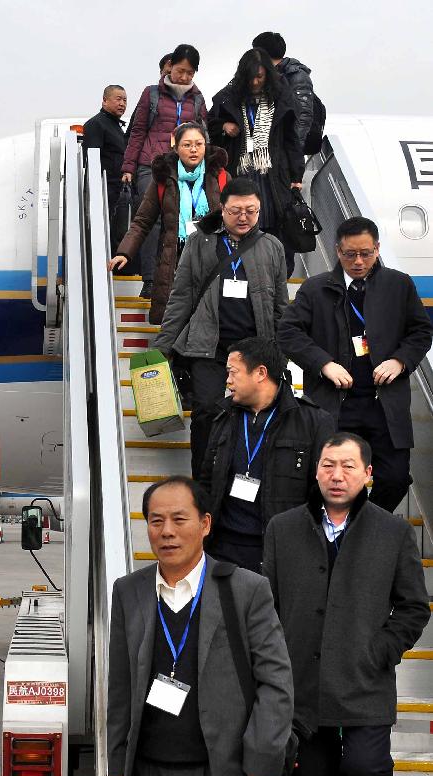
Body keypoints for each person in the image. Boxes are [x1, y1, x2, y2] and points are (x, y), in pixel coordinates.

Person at [107, 476, 293, 776]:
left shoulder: (244, 590)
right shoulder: (129, 591)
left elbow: (277, 682)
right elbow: (121, 684)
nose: (166, 531)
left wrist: (264, 759)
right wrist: (118, 759)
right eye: (156, 521)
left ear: (205, 524)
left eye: (178, 519)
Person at [263, 433, 430, 776]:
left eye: (349, 467)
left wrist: (380, 651)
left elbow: (415, 607)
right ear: (316, 470)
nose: (337, 475)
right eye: (328, 465)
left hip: (364, 682)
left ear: (368, 475)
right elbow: (267, 605)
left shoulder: (393, 531)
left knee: (365, 768)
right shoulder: (283, 528)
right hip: (303, 689)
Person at [277, 216, 433, 512]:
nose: (358, 261)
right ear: (338, 251)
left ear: (377, 248)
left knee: (396, 478)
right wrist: (323, 364)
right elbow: (287, 332)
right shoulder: (316, 288)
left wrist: (400, 361)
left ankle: (360, 527)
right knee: (332, 480)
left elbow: (421, 331)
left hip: (384, 404)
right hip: (335, 404)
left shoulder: (398, 285)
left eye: (366, 253)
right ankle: (341, 533)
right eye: (350, 254)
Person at [153, 177, 289, 478]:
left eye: (251, 211)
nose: (244, 217)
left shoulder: (272, 247)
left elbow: (281, 304)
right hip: (208, 347)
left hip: (255, 350)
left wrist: (282, 353)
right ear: (222, 209)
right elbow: (181, 295)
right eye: (236, 211)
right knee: (206, 412)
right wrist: (162, 346)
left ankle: (242, 476)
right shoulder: (200, 241)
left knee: (253, 416)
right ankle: (203, 480)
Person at [199, 337, 335, 573]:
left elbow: (324, 491)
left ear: (260, 373)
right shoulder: (223, 416)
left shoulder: (313, 422)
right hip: (223, 548)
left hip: (280, 551)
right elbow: (207, 480)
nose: (228, 381)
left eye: (233, 373)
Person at [109, 122, 229, 324]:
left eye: (198, 144)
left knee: (210, 318)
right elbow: (143, 221)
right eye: (187, 144)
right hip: (175, 257)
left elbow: (235, 219)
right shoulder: (164, 178)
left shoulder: (221, 177)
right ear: (176, 148)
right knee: (173, 320)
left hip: (212, 255)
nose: (193, 149)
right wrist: (124, 252)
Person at [122, 43, 208, 299]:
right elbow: (137, 131)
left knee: (184, 221)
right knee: (152, 220)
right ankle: (150, 279)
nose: (184, 77)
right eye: (181, 71)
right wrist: (129, 167)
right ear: (170, 67)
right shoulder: (151, 94)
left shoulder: (198, 98)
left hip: (184, 167)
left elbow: (204, 136)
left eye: (190, 73)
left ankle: (179, 278)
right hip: (151, 164)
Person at [208, 48, 304, 277]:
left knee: (273, 223)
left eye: (260, 77)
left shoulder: (282, 97)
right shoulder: (228, 96)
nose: (255, 82)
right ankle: (240, 274)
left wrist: (296, 175)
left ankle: (277, 275)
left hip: (273, 173)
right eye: (251, 77)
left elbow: (292, 139)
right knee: (241, 222)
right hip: (239, 171)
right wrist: (223, 127)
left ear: (268, 76)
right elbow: (209, 123)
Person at [252, 31, 314, 153]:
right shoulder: (266, 74)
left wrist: (294, 152)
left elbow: (303, 116)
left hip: (285, 151)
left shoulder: (296, 76)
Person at [82, 85, 128, 215]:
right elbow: (90, 160)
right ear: (104, 100)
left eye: (125, 100)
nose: (122, 104)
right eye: (118, 99)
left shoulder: (117, 126)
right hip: (103, 189)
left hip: (118, 188)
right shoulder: (95, 124)